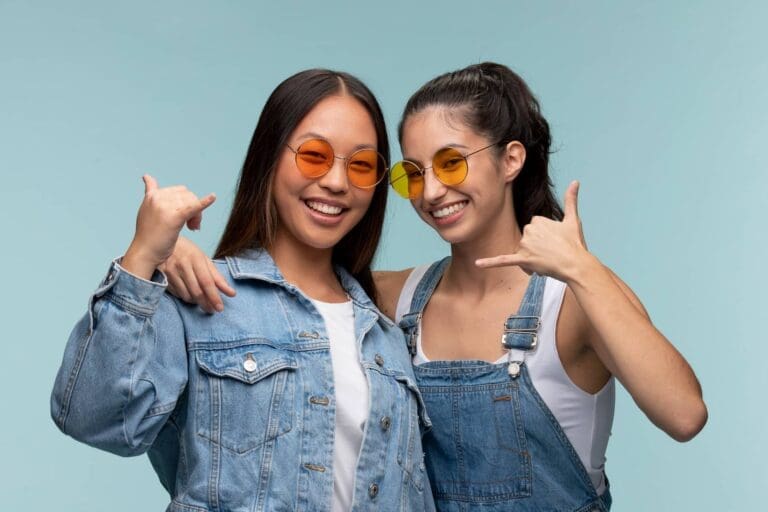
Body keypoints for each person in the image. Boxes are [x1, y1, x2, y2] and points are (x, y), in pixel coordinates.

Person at [164, 62, 708, 511]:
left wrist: (583, 268)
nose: (432, 191)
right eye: (413, 173)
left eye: (451, 163)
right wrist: (168, 255)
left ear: (511, 159)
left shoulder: (575, 299)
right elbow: (275, 296)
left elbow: (684, 415)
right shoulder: (392, 298)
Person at [50, 69, 435, 512]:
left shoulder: (386, 335)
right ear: (270, 158)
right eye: (314, 155)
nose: (336, 182)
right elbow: (94, 420)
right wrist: (143, 255)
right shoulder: (200, 297)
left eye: (362, 165)